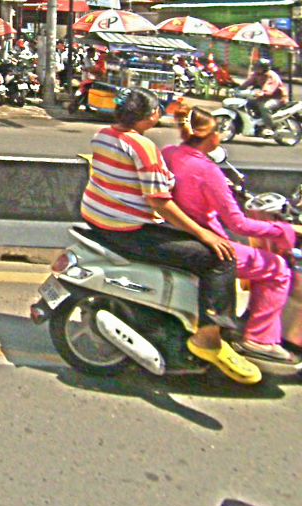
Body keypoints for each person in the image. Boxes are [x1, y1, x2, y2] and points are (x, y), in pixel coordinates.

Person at [80, 87, 261, 384]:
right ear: (151, 115)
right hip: (128, 230)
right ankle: (208, 337)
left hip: (99, 219)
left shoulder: (102, 135)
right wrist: (204, 234)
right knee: (220, 258)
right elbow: (159, 202)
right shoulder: (143, 147)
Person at [163, 105, 297, 363]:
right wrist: (281, 230)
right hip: (206, 240)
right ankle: (260, 340)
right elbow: (238, 225)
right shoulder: (208, 171)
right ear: (210, 136)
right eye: (218, 132)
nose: (220, 137)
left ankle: (246, 323)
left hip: (175, 233)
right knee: (278, 268)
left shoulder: (169, 153)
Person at [238, 58, 288, 136]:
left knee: (265, 107)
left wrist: (263, 93)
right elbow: (248, 82)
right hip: (264, 97)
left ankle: (269, 127)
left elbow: (269, 88)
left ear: (265, 68)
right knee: (248, 103)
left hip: (278, 98)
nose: (257, 68)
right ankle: (257, 122)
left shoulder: (271, 76)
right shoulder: (256, 74)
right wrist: (238, 89)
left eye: (259, 67)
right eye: (257, 67)